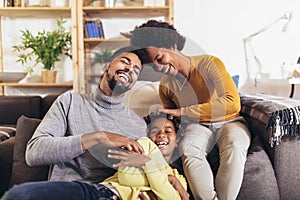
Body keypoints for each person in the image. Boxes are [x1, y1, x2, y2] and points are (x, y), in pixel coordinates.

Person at [2, 46, 149, 200]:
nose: (129, 69)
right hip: (69, 190)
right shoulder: (70, 101)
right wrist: (97, 138)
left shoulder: (138, 125)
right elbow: (34, 153)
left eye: (136, 70)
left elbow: (148, 170)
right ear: (106, 67)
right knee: (19, 195)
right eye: (125, 62)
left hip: (111, 194)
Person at [130, 20, 252, 200]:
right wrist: (156, 118)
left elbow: (232, 103)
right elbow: (172, 122)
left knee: (235, 144)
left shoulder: (209, 63)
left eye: (160, 59)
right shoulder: (165, 86)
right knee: (188, 149)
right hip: (198, 126)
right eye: (153, 65)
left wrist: (183, 111)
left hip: (230, 121)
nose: (159, 68)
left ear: (172, 45)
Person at [98, 112, 189, 200]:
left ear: (177, 141)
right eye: (155, 131)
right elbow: (126, 177)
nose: (161, 134)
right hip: (105, 192)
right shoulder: (145, 144)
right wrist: (167, 182)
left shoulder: (178, 178)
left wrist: (147, 163)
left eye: (168, 131)